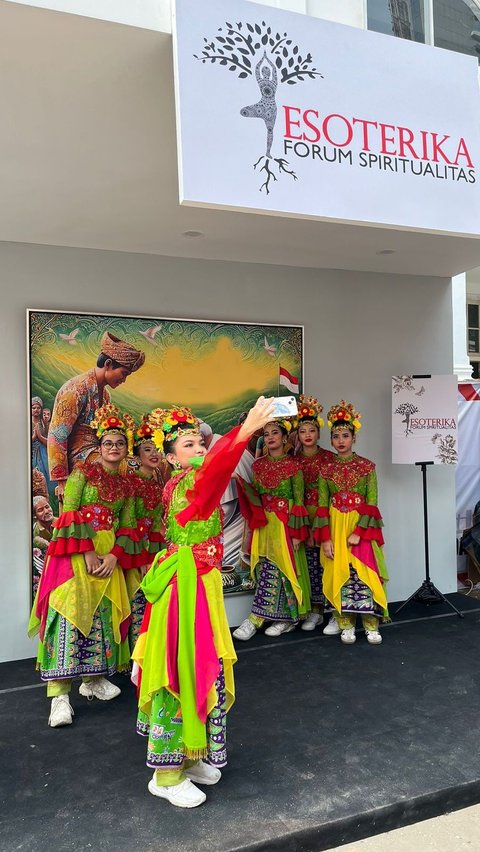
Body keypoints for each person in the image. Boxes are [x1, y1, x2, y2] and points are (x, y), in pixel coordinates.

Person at [132, 397, 274, 809]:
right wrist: (245, 430)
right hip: (186, 591)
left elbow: (216, 470)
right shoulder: (190, 485)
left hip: (201, 585)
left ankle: (191, 756)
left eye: (200, 444)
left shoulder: (186, 483)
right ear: (172, 458)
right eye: (189, 445)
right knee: (182, 671)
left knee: (202, 670)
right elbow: (217, 471)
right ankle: (166, 773)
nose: (198, 451)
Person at [28, 403, 143, 728]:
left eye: (120, 443)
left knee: (101, 617)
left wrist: (113, 557)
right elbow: (69, 512)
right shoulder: (81, 474)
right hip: (74, 556)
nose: (114, 448)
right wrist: (88, 552)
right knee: (67, 614)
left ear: (126, 447)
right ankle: (60, 697)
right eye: (108, 443)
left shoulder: (127, 486)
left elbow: (127, 526)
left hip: (107, 561)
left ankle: (91, 680)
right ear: (98, 445)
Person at [313, 401, 389, 645]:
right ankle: (345, 622)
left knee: (364, 572)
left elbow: (372, 503)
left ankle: (370, 624)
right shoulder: (326, 469)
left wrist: (359, 532)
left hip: (361, 528)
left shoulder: (367, 467)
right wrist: (325, 538)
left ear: (354, 437)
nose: (340, 440)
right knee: (339, 573)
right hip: (335, 527)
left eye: (346, 435)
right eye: (336, 436)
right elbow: (322, 506)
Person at [233, 416, 311, 641]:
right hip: (265, 525)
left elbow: (299, 501)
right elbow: (255, 496)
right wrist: (238, 481)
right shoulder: (258, 466)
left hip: (285, 526)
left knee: (283, 569)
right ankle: (269, 617)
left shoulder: (294, 466)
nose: (270, 438)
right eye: (266, 435)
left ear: (285, 437)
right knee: (264, 566)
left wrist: (297, 533)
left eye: (275, 433)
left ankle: (281, 618)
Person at [47, 331, 145, 501]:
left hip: (100, 450)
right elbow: (57, 435)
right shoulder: (75, 389)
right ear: (108, 364)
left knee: (138, 464)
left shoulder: (105, 395)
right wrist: (62, 481)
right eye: (124, 373)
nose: (124, 380)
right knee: (126, 467)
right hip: (78, 457)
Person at [295, 395, 335, 631]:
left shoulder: (329, 459)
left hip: (327, 517)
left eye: (312, 430)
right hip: (303, 517)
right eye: (303, 431)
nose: (307, 435)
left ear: (319, 433)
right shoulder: (294, 461)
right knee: (309, 564)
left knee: (327, 562)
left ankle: (334, 609)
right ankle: (315, 610)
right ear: (297, 435)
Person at [127, 416, 165, 652]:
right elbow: (130, 521)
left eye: (156, 449)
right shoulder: (133, 482)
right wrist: (140, 558)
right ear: (136, 456)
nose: (153, 454)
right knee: (137, 596)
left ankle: (151, 648)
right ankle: (136, 652)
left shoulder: (156, 482)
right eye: (147, 449)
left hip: (153, 546)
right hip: (136, 549)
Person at [31, 397, 51, 494]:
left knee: (46, 475)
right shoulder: (27, 422)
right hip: (32, 454)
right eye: (33, 407)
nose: (36, 410)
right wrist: (35, 437)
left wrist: (40, 437)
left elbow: (50, 441)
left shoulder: (44, 423)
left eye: (38, 408)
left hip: (44, 454)